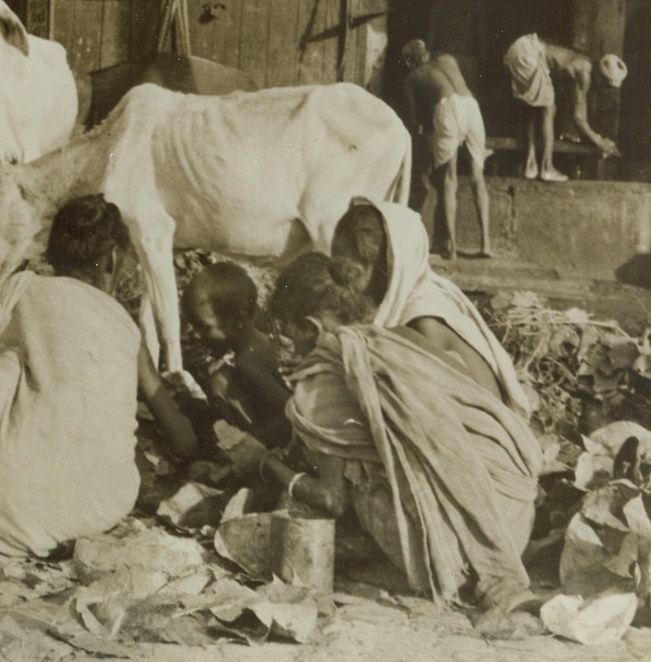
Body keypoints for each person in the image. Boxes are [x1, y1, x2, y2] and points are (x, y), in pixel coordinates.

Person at [0, 195, 198, 558]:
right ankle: (21, 525)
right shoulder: (127, 328)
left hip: (2, 490)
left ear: (51, 255)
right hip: (100, 507)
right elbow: (180, 437)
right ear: (112, 259)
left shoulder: (22, 290)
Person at [250, 252, 542, 612]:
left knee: (354, 477)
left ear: (311, 327)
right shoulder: (402, 336)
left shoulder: (324, 376)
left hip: (463, 549)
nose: (288, 347)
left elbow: (331, 499)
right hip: (515, 519)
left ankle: (430, 566)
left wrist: (266, 464)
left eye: (288, 334)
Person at [330, 197, 530, 416]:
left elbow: (448, 420)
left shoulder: (424, 324)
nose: (344, 288)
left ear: (389, 269)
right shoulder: (420, 296)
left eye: (351, 274)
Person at [182, 262, 292, 448]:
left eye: (203, 327)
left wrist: (252, 444)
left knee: (218, 382)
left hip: (289, 440)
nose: (195, 336)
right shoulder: (263, 340)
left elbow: (293, 413)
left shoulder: (247, 361)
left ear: (239, 321)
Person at [400, 38, 492, 259]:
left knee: (449, 178)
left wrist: (426, 134)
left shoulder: (412, 77)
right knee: (477, 177)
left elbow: (413, 121)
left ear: (410, 62)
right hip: (471, 105)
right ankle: (486, 244)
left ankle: (451, 246)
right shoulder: (448, 59)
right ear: (426, 53)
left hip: (447, 106)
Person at [502, 34, 626, 182]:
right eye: (606, 87)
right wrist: (600, 142)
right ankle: (547, 168)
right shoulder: (584, 74)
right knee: (549, 108)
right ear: (601, 77)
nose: (604, 91)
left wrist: (593, 138)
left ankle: (531, 165)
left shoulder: (584, 64)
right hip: (530, 53)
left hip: (519, 49)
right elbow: (578, 118)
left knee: (534, 107)